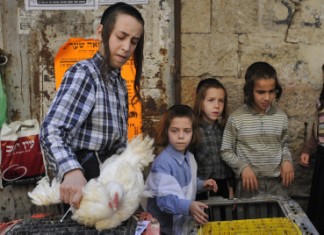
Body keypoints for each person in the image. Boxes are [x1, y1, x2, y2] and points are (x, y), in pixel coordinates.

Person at [40, 2, 145, 210]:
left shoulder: (120, 83)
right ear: (101, 32)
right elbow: (51, 129)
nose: (126, 47)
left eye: (134, 41)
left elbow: (118, 143)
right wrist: (71, 171)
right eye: (121, 36)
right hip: (84, 190)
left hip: (109, 186)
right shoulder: (84, 74)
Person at [221, 61, 294, 198]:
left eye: (271, 91)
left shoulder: (281, 117)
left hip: (277, 185)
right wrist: (242, 167)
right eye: (261, 92)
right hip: (249, 185)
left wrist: (286, 160)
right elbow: (226, 151)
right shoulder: (237, 118)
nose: (267, 97)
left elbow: (284, 145)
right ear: (249, 91)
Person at [142, 105, 218, 235]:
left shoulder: (190, 158)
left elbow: (186, 183)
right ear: (166, 131)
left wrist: (202, 184)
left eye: (187, 131)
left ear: (193, 132)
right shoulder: (162, 163)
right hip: (162, 229)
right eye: (175, 131)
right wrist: (188, 206)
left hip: (180, 226)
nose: (181, 136)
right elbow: (164, 201)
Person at [193, 78, 234, 199]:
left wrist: (231, 188)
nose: (217, 106)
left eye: (221, 101)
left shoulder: (224, 130)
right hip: (201, 190)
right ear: (200, 102)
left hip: (223, 188)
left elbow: (229, 164)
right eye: (211, 100)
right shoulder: (193, 131)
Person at [299, 64, 324, 234]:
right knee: (320, 205)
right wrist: (307, 150)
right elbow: (317, 131)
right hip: (323, 159)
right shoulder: (321, 103)